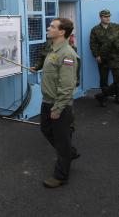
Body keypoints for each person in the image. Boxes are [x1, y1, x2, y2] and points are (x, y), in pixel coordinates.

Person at [39, 18, 80, 188]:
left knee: (61, 140)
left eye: (52, 26)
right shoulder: (53, 49)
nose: (49, 28)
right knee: (46, 129)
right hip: (47, 101)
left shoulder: (67, 54)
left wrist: (58, 107)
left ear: (62, 32)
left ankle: (60, 176)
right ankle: (70, 152)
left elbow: (67, 85)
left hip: (59, 104)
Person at [90, 9, 118, 106]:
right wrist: (96, 55)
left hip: (115, 57)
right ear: (101, 17)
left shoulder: (116, 27)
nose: (108, 18)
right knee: (103, 79)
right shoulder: (95, 30)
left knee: (117, 79)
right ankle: (103, 99)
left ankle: (116, 97)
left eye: (109, 16)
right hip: (103, 58)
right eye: (105, 16)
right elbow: (93, 44)